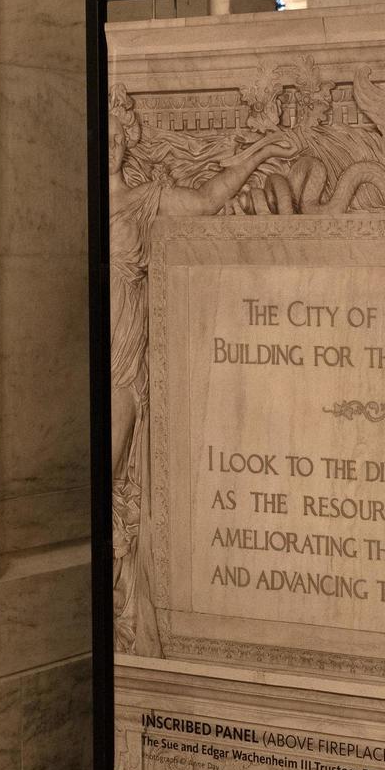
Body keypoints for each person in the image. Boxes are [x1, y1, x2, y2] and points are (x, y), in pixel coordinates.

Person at [107, 86, 298, 653]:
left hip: (121, 340)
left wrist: (260, 150)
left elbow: (210, 197)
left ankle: (122, 581)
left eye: (120, 136)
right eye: (106, 135)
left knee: (116, 453)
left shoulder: (143, 198)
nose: (114, 145)